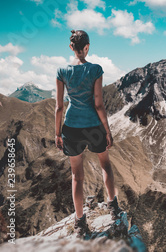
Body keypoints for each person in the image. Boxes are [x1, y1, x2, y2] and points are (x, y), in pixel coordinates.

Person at [54, 30, 122, 238]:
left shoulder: (62, 71)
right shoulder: (96, 70)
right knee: (105, 165)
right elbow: (99, 104)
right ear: (87, 47)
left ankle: (80, 221)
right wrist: (107, 131)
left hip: (71, 128)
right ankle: (113, 206)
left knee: (77, 176)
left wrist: (57, 134)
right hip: (93, 127)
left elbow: (58, 107)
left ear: (71, 48)